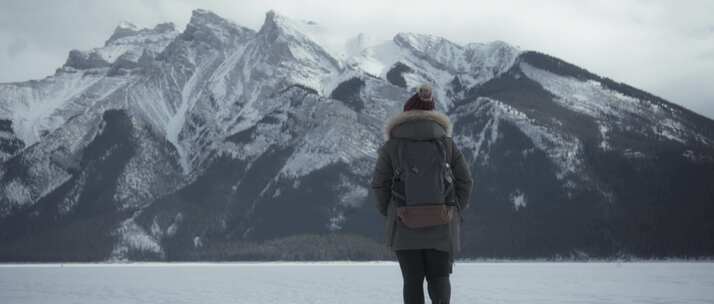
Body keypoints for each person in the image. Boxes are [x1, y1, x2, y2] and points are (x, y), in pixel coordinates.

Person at [371, 84, 473, 304]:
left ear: (406, 115)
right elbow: (465, 181)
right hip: (442, 226)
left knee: (412, 281)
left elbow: (380, 185)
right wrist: (453, 210)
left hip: (403, 225)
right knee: (439, 278)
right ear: (433, 115)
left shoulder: (392, 147)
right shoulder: (447, 145)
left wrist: (391, 212)